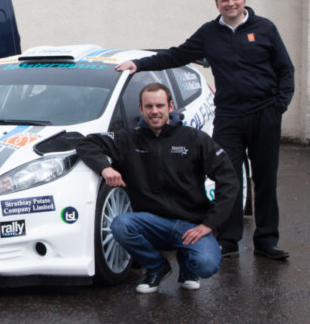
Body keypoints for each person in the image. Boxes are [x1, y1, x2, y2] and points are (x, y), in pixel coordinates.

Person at [115, 0, 294, 260]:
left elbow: (285, 69)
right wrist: (139, 64)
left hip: (264, 114)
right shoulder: (209, 33)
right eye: (225, 0)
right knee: (228, 177)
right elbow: (177, 54)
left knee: (265, 178)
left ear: (244, 0)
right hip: (229, 116)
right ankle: (229, 240)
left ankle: (267, 241)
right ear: (217, 4)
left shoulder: (265, 28)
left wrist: (279, 106)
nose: (230, 3)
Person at [77, 83, 238, 293]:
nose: (154, 111)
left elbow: (229, 180)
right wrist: (104, 167)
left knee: (207, 264)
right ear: (141, 108)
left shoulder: (195, 139)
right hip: (151, 223)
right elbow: (86, 143)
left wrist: (210, 223)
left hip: (190, 224)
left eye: (160, 105)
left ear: (170, 107)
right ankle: (156, 267)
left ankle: (188, 265)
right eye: (149, 106)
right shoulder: (128, 138)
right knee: (120, 225)